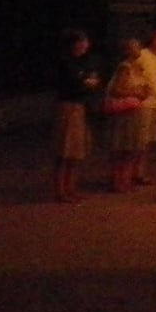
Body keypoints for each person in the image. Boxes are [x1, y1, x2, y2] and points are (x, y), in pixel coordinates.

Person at [50, 29, 101, 202]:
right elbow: (75, 84)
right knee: (64, 150)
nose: (85, 45)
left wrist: (87, 81)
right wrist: (85, 82)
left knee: (76, 152)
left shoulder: (85, 61)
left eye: (86, 41)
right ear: (73, 44)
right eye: (81, 42)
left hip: (80, 107)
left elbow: (91, 80)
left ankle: (71, 187)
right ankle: (60, 190)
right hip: (67, 107)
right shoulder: (66, 62)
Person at [102, 35, 151, 194]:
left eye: (138, 45)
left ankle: (125, 181)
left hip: (133, 112)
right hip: (124, 115)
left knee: (130, 149)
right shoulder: (125, 67)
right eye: (134, 46)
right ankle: (117, 182)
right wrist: (136, 93)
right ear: (128, 51)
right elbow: (117, 89)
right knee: (122, 149)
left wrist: (143, 92)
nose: (138, 49)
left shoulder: (137, 67)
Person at [135, 27, 156, 185]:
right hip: (145, 103)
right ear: (154, 40)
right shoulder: (142, 55)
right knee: (141, 140)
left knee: (150, 141)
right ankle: (135, 172)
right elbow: (132, 74)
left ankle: (142, 171)